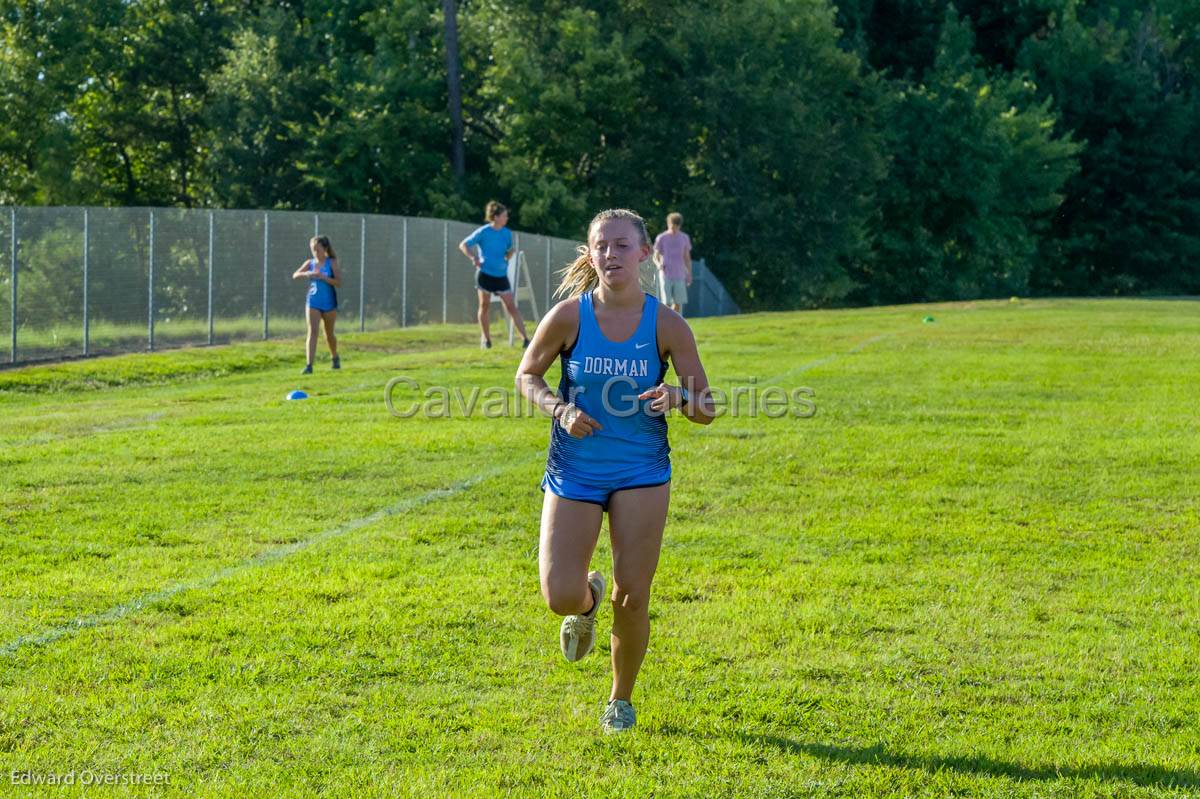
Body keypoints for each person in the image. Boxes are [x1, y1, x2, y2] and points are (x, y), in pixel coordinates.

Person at [515, 208, 715, 733]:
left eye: (622, 246)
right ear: (590, 252)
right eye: (602, 246)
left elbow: (707, 406)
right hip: (575, 470)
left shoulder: (668, 324)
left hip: (641, 471)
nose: (611, 255)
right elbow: (527, 376)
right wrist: (559, 409)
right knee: (559, 593)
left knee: (634, 593)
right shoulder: (568, 317)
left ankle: (619, 701)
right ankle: (587, 600)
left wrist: (676, 395)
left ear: (645, 254)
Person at [459, 201, 530, 349]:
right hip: (485, 275)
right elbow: (463, 245)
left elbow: (509, 252)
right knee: (484, 306)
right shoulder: (483, 232)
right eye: (504, 216)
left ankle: (525, 339)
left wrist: (510, 254)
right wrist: (474, 258)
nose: (506, 218)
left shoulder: (507, 233)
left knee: (511, 306)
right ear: (495, 217)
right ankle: (486, 339)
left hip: (501, 277)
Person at [291, 235, 341, 374]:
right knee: (312, 332)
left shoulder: (332, 263)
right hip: (313, 302)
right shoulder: (310, 263)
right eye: (313, 250)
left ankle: (335, 357)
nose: (315, 253)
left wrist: (324, 277)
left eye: (317, 249)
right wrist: (307, 274)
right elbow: (295, 275)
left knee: (329, 334)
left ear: (325, 249)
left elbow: (339, 282)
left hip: (329, 303)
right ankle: (309, 366)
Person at [652, 212, 692, 315]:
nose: (674, 229)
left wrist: (689, 274)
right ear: (668, 223)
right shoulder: (662, 237)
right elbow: (655, 256)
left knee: (678, 302)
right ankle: (666, 324)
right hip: (665, 273)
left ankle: (676, 324)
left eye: (676, 226)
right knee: (666, 302)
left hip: (679, 274)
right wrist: (658, 265)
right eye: (672, 226)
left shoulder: (684, 238)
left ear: (680, 226)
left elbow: (687, 258)